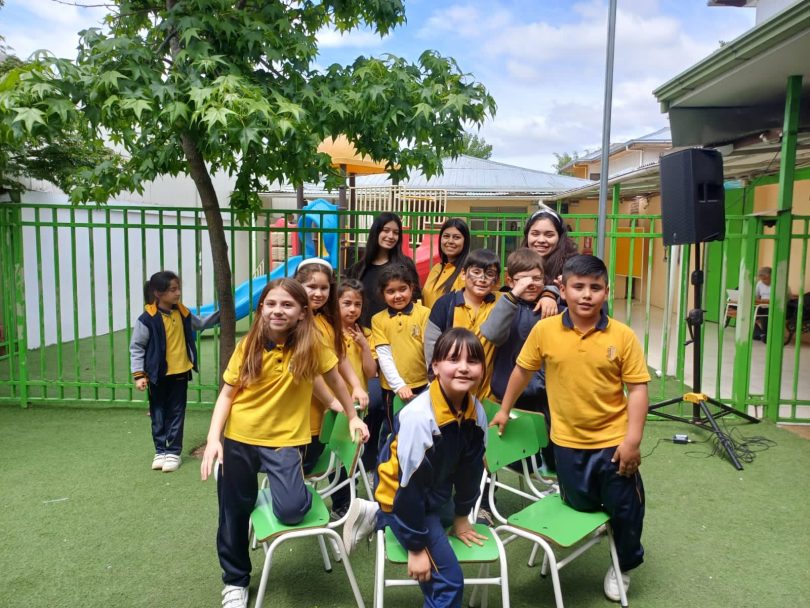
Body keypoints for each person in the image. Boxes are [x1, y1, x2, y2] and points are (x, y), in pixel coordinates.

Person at [490, 255, 650, 603]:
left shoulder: (622, 336)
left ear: (606, 291)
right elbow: (522, 370)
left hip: (613, 443)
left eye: (595, 287)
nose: (586, 295)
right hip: (565, 443)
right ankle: (605, 525)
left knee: (626, 507)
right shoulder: (544, 330)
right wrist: (503, 409)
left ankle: (623, 564)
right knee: (581, 505)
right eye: (578, 286)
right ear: (562, 289)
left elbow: (637, 390)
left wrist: (632, 441)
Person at [200, 278, 369, 608]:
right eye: (271, 304)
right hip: (240, 437)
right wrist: (213, 439)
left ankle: (282, 494)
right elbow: (227, 395)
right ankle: (235, 580)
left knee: (291, 510)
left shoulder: (312, 345)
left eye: (287, 305)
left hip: (285, 441)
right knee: (233, 511)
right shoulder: (248, 345)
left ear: (303, 312)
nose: (278, 310)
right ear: (261, 308)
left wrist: (352, 416)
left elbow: (335, 380)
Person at [342, 328, 490, 608]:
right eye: (453, 359)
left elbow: (470, 471)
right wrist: (416, 546)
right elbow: (407, 488)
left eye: (472, 361)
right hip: (401, 497)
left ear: (482, 368)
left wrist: (461, 516)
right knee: (449, 583)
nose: (463, 368)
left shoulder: (476, 412)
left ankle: (374, 515)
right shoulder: (419, 418)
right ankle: (384, 513)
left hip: (433, 495)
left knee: (446, 526)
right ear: (435, 366)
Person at [295, 259, 368, 519]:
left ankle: (343, 506)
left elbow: (340, 355)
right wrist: (332, 401)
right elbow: (309, 371)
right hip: (307, 412)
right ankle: (296, 503)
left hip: (332, 408)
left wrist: (356, 385)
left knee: (338, 456)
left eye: (324, 288)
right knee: (305, 464)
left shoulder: (327, 320)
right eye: (311, 286)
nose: (318, 293)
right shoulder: (297, 322)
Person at [480, 247, 561, 472]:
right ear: (510, 280)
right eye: (523, 279)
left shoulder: (553, 307)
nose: (531, 284)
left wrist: (551, 293)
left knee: (554, 455)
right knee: (509, 456)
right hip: (508, 395)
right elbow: (492, 333)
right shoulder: (505, 304)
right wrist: (514, 294)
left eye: (537, 278)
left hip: (545, 395)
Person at [130, 270, 219, 472]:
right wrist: (139, 375)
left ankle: (173, 452)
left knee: (177, 412)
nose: (178, 293)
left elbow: (200, 323)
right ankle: (160, 450)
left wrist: (221, 315)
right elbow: (137, 347)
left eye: (178, 288)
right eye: (173, 289)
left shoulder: (182, 312)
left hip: (180, 373)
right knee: (158, 413)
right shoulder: (147, 319)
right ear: (158, 293)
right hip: (157, 375)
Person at [423, 248, 501, 401]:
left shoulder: (501, 304)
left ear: (497, 280)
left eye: (490, 274)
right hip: (449, 391)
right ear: (463, 274)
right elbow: (432, 345)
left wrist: (548, 294)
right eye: (476, 272)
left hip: (488, 395)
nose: (482, 279)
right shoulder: (445, 304)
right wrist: (435, 377)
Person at [371, 264, 431, 440]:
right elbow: (384, 356)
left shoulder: (424, 313)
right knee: (393, 430)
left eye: (402, 289)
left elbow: (430, 349)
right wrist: (399, 386)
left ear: (411, 288)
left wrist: (432, 381)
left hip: (423, 384)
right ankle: (386, 457)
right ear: (382, 294)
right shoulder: (378, 320)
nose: (397, 296)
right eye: (390, 291)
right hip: (393, 388)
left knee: (422, 429)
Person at [345, 212, 420, 329]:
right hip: (364, 333)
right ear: (376, 232)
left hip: (396, 332)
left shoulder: (405, 265)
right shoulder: (359, 269)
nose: (391, 236)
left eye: (396, 233)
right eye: (386, 230)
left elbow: (416, 301)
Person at [337, 279, 382, 470]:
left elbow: (371, 372)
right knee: (334, 453)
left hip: (358, 403)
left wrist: (363, 345)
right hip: (335, 403)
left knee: (352, 452)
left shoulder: (366, 334)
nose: (353, 309)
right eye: (347, 303)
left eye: (358, 304)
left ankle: (350, 485)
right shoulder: (328, 332)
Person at [521, 205, 578, 317]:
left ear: (559, 237)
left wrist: (562, 292)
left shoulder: (574, 266)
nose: (541, 240)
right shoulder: (519, 261)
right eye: (535, 234)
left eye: (549, 235)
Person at [421, 218, 471, 308]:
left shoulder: (467, 273)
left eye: (456, 237)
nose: (450, 241)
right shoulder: (437, 268)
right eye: (446, 236)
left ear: (465, 242)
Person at [753, 267, 771, 341]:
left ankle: (765, 335)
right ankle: (761, 334)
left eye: (765, 279)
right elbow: (756, 296)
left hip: (772, 306)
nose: (763, 281)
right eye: (761, 279)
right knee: (748, 313)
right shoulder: (759, 283)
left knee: (767, 313)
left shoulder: (779, 283)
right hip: (761, 305)